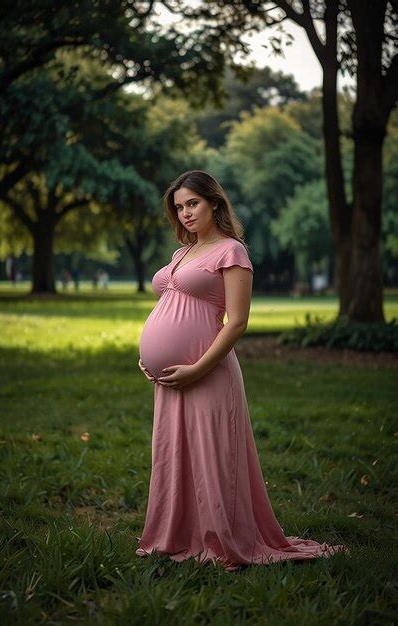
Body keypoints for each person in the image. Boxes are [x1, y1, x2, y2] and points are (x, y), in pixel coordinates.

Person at [136, 169, 349, 572]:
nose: (185, 213)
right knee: (174, 456)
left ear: (214, 202)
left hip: (208, 371)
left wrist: (197, 367)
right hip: (170, 378)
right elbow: (168, 309)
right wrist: (148, 358)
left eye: (192, 203)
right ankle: (177, 536)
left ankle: (221, 541)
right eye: (179, 207)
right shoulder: (181, 254)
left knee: (212, 458)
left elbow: (237, 322)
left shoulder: (231, 251)